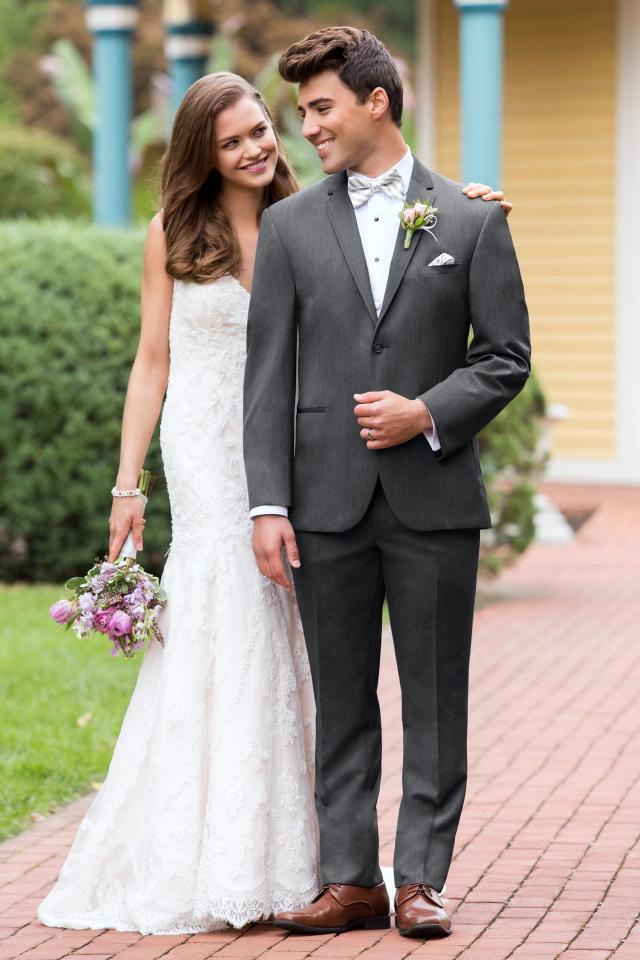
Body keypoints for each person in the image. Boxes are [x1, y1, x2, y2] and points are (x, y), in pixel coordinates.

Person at [37, 70, 510, 935]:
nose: (261, 144)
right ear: (202, 155)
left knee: (319, 659)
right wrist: (127, 481)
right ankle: (265, 849)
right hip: (227, 462)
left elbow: (421, 306)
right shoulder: (189, 232)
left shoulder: (321, 210)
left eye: (267, 128)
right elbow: (155, 360)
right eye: (236, 138)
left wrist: (466, 213)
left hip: (326, 457)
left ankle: (371, 870)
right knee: (252, 640)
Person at [243, 27, 530, 939]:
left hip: (434, 500)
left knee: (437, 696)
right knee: (342, 698)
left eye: (320, 107)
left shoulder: (471, 219)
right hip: (324, 502)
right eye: (302, 113)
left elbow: (507, 359)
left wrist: (426, 413)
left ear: (376, 102)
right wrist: (268, 503)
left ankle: (420, 880)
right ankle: (350, 878)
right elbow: (267, 377)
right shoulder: (287, 226)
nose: (308, 127)